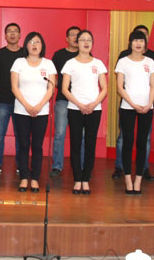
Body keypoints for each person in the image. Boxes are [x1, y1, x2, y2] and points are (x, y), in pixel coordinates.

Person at [112, 25, 154, 181]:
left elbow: (153, 85)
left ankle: (140, 177)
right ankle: (126, 177)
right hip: (128, 106)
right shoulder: (123, 61)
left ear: (145, 42)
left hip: (147, 107)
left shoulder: (151, 61)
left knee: (143, 142)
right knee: (127, 141)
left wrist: (149, 104)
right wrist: (133, 104)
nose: (138, 43)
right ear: (130, 43)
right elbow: (120, 87)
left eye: (141, 40)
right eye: (135, 40)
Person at [62, 30, 107, 195]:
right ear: (77, 42)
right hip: (75, 109)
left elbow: (104, 88)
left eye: (89, 40)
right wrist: (80, 105)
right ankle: (77, 179)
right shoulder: (70, 63)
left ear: (92, 43)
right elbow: (65, 89)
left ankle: (86, 179)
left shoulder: (98, 63)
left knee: (90, 144)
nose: (86, 43)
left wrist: (93, 104)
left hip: (94, 110)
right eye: (82, 40)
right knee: (75, 144)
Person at [11, 32, 56, 193]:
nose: (34, 45)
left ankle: (35, 178)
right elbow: (14, 87)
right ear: (26, 45)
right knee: (23, 145)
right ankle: (24, 177)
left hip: (41, 111)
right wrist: (27, 105)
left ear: (42, 45)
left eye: (37, 42)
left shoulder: (48, 64)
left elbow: (51, 87)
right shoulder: (19, 62)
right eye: (31, 42)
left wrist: (39, 106)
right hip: (21, 110)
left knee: (37, 146)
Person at [0, 23, 25, 176]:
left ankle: (21, 165)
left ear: (20, 35)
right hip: (3, 100)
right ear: (5, 35)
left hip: (21, 101)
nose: (12, 34)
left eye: (15, 31)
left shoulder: (25, 53)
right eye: (9, 31)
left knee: (21, 135)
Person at [50, 25, 81, 177]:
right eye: (73, 35)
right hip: (63, 100)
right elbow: (52, 75)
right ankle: (57, 165)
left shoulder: (85, 55)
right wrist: (60, 85)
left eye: (78, 35)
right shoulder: (59, 55)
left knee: (80, 134)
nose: (76, 37)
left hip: (80, 101)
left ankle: (81, 165)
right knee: (60, 133)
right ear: (67, 38)